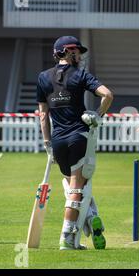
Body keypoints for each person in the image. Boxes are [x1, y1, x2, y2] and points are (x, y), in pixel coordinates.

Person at [36, 36, 114, 249]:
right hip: (79, 137)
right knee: (77, 188)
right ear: (68, 51)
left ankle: (91, 217)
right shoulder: (80, 75)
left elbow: (43, 115)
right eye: (77, 51)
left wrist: (47, 143)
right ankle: (67, 238)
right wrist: (97, 114)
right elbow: (107, 95)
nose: (80, 55)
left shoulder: (43, 77)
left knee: (75, 184)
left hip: (58, 141)